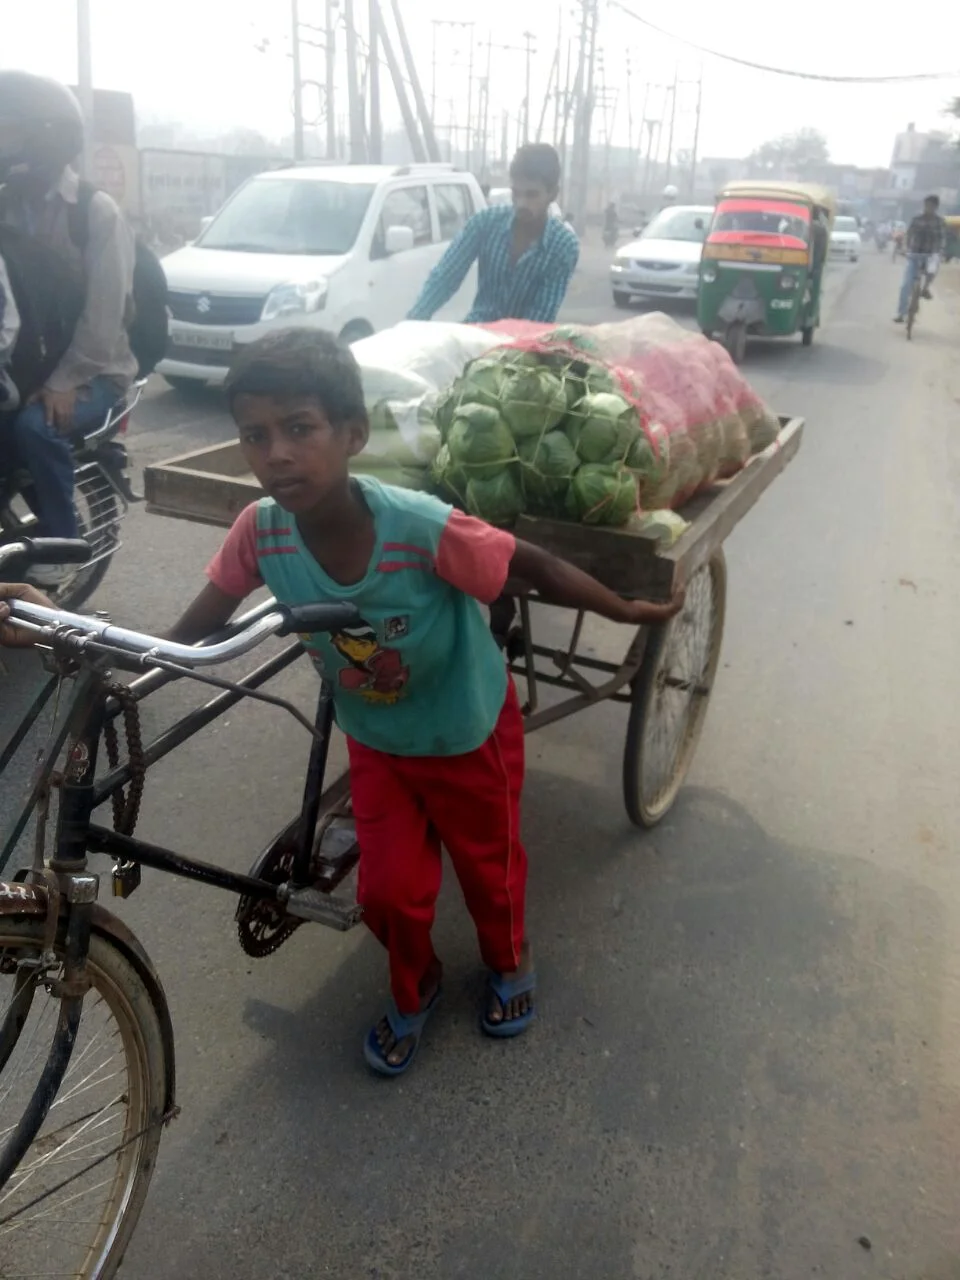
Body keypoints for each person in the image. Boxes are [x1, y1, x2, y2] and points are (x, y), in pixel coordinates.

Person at [0, 327, 684, 1077]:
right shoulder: (261, 534)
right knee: (388, 892)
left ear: (352, 434)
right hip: (379, 743)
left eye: (300, 428)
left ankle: (510, 961)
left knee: (490, 871)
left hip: (466, 733)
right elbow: (183, 635)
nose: (278, 454)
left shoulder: (417, 527)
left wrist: (625, 610)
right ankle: (414, 983)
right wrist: (62, 625)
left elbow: (534, 567)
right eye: (255, 436)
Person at [0, 71, 136, 583]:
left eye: (9, 133)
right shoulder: (5, 203)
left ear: (46, 137)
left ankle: (64, 541)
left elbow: (104, 317)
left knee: (37, 427)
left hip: (94, 371)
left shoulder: (93, 213)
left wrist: (64, 381)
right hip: (27, 364)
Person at [407, 143, 579, 325]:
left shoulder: (563, 245)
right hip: (476, 331)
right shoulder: (485, 222)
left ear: (552, 193)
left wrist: (501, 349)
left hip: (525, 344)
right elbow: (445, 277)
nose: (521, 203)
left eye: (531, 195)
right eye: (516, 193)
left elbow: (540, 316)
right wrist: (413, 323)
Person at [894, 195, 946, 322]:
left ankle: (925, 288)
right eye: (926, 205)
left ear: (936, 207)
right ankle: (901, 313)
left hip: (931, 254)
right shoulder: (916, 219)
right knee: (906, 285)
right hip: (914, 254)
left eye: (931, 206)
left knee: (933, 268)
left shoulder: (939, 221)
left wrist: (941, 251)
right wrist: (904, 248)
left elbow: (942, 239)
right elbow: (908, 235)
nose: (928, 208)